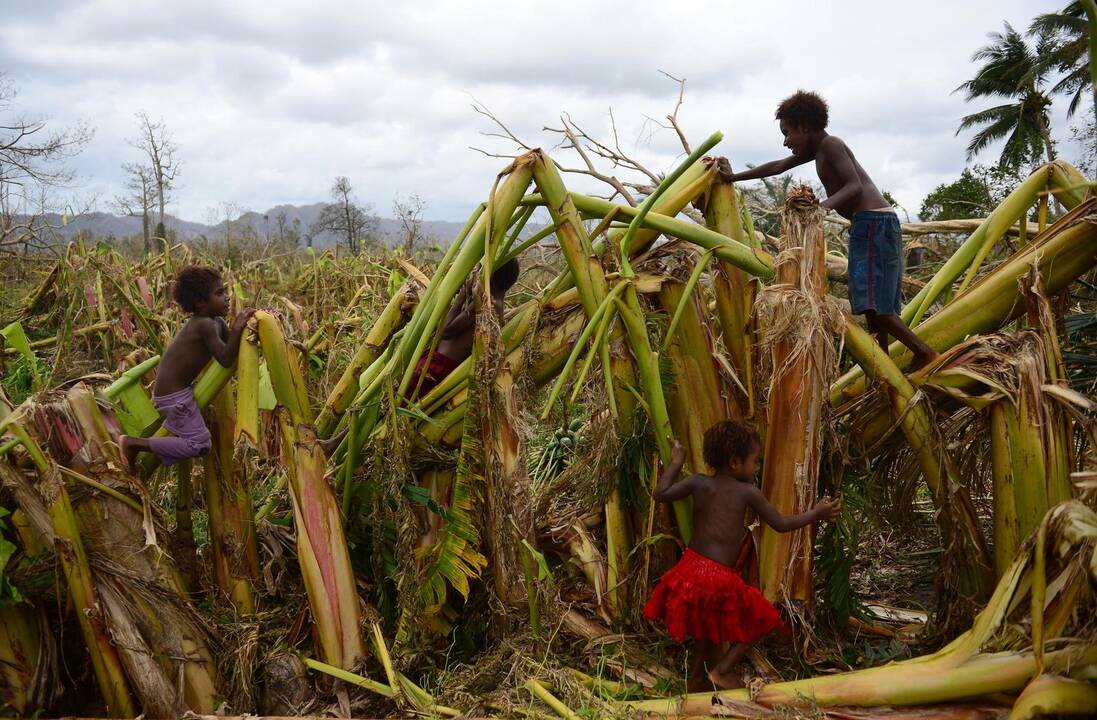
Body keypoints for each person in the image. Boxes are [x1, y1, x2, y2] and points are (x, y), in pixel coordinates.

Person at [723, 90, 938, 371]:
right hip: (869, 224)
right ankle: (882, 372)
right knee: (872, 311)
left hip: (874, 224)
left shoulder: (832, 145)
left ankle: (925, 353)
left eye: (787, 132)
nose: (785, 141)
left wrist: (820, 208)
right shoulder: (818, 150)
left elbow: (854, 186)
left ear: (804, 126)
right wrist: (732, 177)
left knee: (875, 306)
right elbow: (777, 166)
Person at [643, 420, 841, 691]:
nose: (757, 467)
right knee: (765, 618)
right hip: (718, 575)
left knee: (704, 627)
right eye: (755, 461)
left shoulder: (698, 482)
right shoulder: (748, 492)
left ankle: (696, 680)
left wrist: (677, 461)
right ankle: (722, 671)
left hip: (689, 568)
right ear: (735, 462)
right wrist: (816, 513)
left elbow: (661, 493)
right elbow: (781, 524)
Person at [119, 266, 255, 472]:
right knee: (200, 445)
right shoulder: (204, 325)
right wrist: (237, 327)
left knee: (194, 437)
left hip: (176, 391)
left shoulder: (215, 321)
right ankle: (133, 444)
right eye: (219, 293)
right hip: (173, 397)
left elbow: (233, 345)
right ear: (201, 302)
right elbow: (226, 359)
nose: (227, 298)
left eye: (225, 291)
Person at [408, 257, 519, 400]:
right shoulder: (498, 306)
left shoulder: (487, 302)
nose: (476, 273)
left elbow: (446, 330)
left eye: (480, 269)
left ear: (491, 273)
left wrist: (462, 295)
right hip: (443, 368)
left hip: (438, 367)